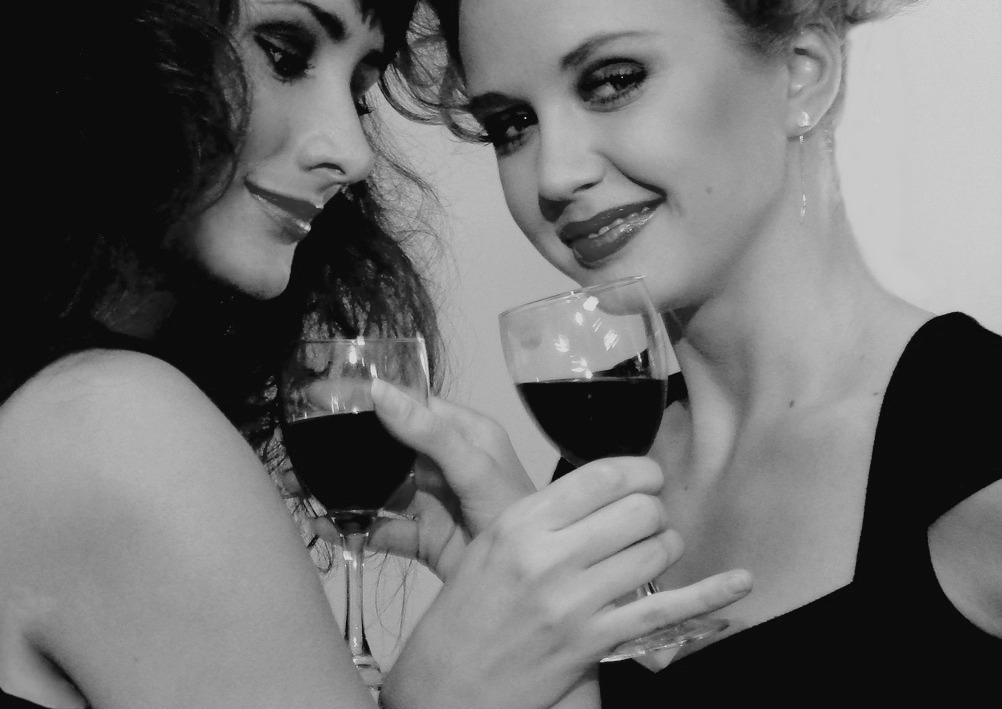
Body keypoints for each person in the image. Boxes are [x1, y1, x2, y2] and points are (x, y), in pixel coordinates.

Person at [0, 1, 751, 708]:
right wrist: (443, 686)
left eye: (359, 91)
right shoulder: (113, 424)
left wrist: (544, 645)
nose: (355, 154)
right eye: (284, 54)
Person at [396, 0, 1002, 700]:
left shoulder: (980, 458)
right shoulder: (602, 467)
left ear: (802, 70)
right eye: (512, 125)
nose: (554, 174)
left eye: (613, 81)